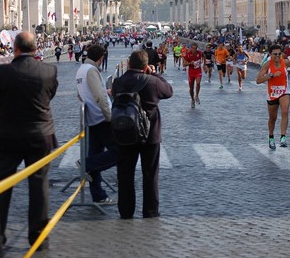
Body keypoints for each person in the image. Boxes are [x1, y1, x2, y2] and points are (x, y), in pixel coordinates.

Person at [0, 31, 58, 253]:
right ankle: (39, 238)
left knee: (0, 188)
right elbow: (49, 95)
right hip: (40, 136)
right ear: (35, 49)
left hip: (8, 137)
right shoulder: (49, 71)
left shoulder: (2, 72)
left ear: (15, 48)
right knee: (39, 187)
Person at [111, 50, 173, 219]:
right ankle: (150, 211)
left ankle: (126, 210)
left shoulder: (118, 82)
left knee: (125, 174)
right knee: (150, 174)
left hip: (125, 133)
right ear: (146, 66)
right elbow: (168, 91)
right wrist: (155, 74)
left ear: (129, 64)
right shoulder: (152, 81)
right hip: (150, 134)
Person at [75, 44, 117, 205]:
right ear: (100, 58)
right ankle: (86, 165)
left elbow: (80, 95)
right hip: (101, 118)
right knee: (118, 151)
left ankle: (99, 196)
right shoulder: (92, 70)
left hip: (91, 118)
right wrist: (110, 117)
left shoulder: (81, 69)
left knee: (95, 153)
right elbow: (99, 96)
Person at [256, 44, 290, 149]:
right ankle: (271, 137)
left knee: (285, 111)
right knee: (272, 118)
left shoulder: (285, 62)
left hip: (284, 91)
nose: (278, 56)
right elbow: (258, 80)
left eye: (279, 54)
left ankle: (283, 137)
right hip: (272, 93)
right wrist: (271, 75)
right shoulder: (267, 65)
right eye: (275, 54)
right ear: (270, 54)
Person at [182, 43, 204, 107]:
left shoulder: (199, 53)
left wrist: (204, 64)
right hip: (191, 72)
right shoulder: (188, 55)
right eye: (193, 48)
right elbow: (184, 64)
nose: (194, 50)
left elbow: (204, 56)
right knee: (191, 88)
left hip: (198, 71)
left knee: (198, 83)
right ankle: (192, 100)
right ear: (191, 48)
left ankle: (197, 96)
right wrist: (189, 63)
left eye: (195, 48)